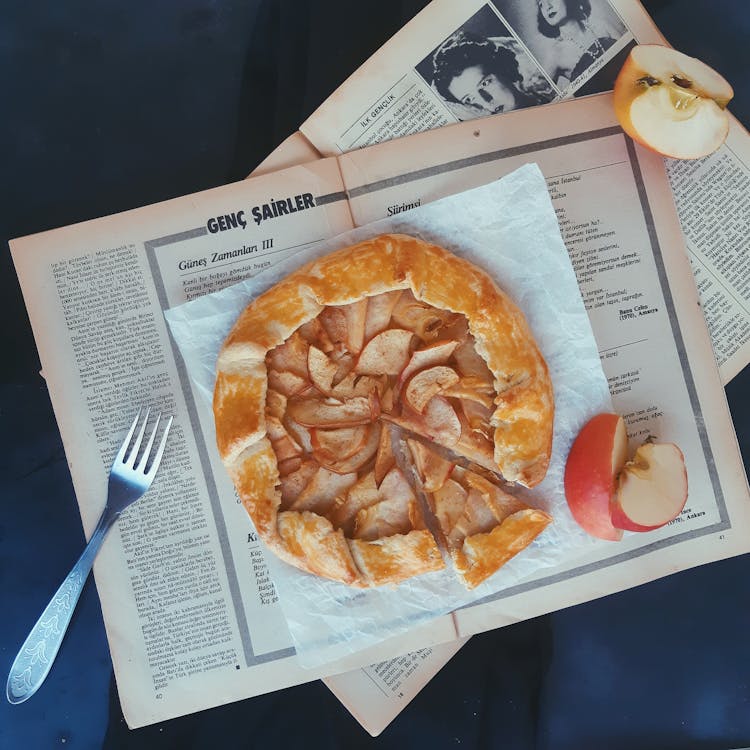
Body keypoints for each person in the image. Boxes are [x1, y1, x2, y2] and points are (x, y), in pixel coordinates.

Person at [431, 31, 555, 121]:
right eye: (469, 99)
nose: (486, 102)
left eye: (485, 83)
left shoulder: (551, 84)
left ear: (503, 69)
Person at [536, 0, 616, 86]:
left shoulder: (602, 26)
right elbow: (542, 94)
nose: (547, 7)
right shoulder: (556, 54)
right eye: (541, 5)